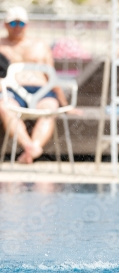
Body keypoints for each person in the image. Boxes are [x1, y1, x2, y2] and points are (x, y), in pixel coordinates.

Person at [0, 7, 80, 164]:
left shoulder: (39, 45)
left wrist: (65, 104)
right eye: (13, 23)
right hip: (11, 90)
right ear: (6, 25)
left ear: (27, 25)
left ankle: (31, 151)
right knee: (4, 107)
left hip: (41, 89)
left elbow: (51, 76)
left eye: (21, 23)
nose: (17, 27)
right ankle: (31, 147)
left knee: (50, 108)